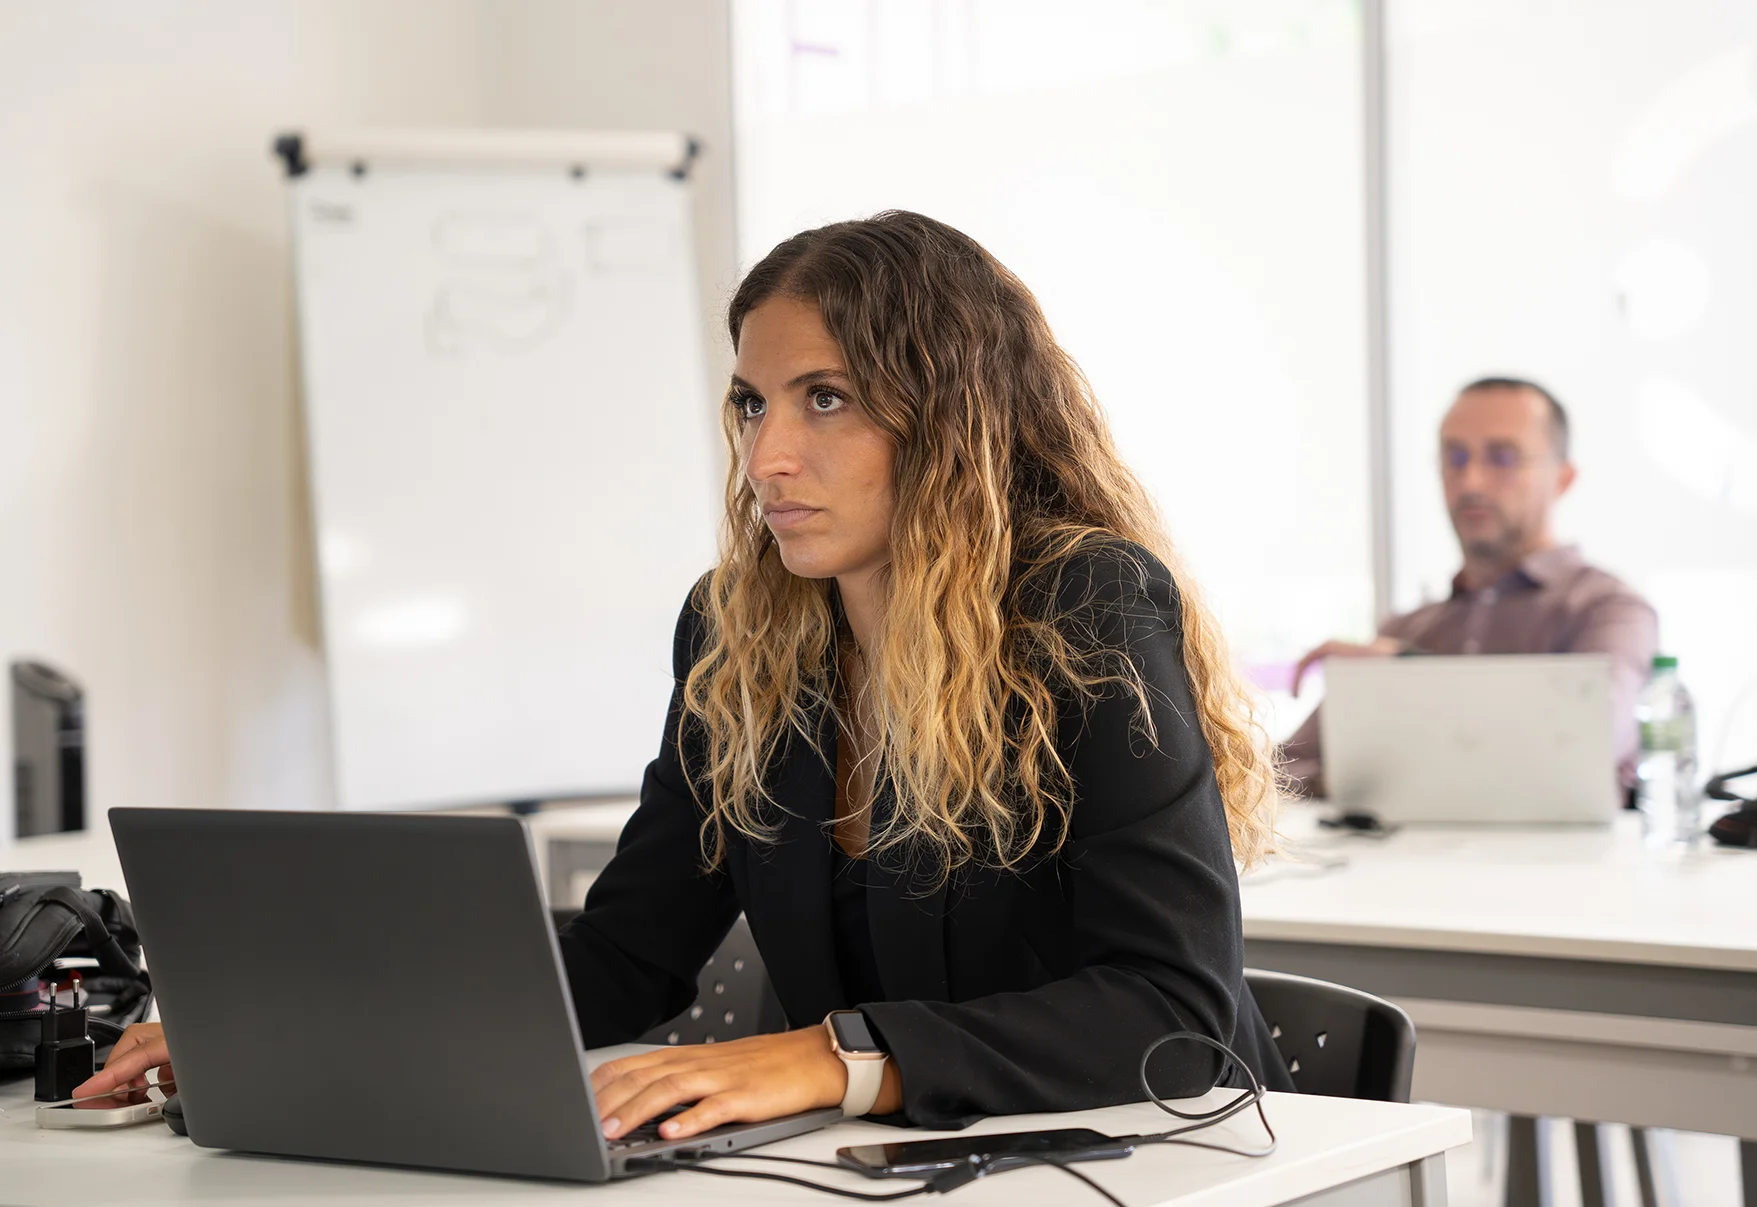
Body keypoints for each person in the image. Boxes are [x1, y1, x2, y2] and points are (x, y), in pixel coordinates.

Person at [79, 211, 1290, 1139]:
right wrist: (299, 1027)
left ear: (952, 416)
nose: (767, 455)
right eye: (752, 403)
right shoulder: (741, 635)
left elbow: (1172, 1011)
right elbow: (627, 954)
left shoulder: (1081, 603)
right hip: (870, 1173)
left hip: (1135, 1162)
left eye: (827, 400)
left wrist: (834, 1054)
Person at [1282, 377, 1658, 797]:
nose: (1472, 481)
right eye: (1454, 457)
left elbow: (1587, 743)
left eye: (1502, 457)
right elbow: (1282, 771)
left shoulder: (1608, 611)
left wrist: (1410, 673)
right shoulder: (1406, 629)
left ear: (1563, 478)